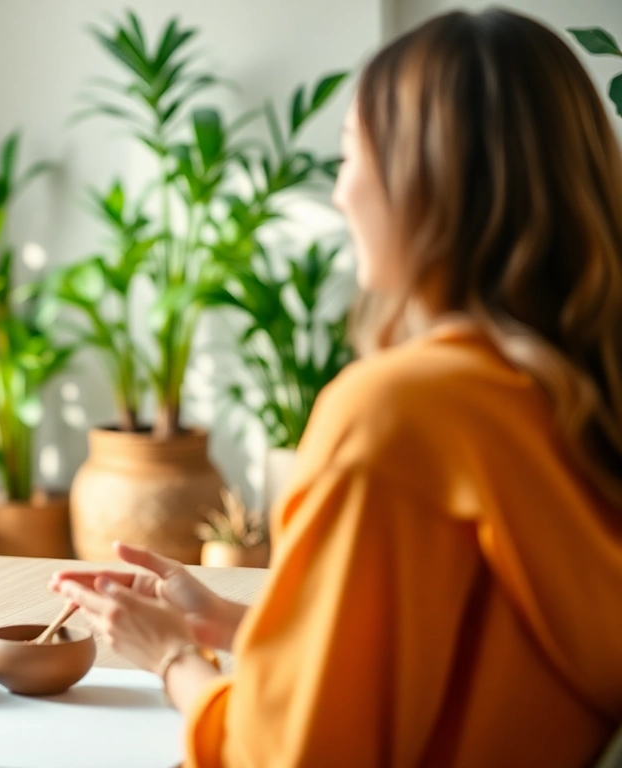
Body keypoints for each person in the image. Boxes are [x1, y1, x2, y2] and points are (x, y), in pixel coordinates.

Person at [52, 9, 622, 766]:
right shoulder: (575, 397)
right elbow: (471, 665)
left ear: (423, 184)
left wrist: (171, 661)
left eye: (350, 156)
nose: (341, 194)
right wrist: (231, 624)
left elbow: (291, 755)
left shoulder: (397, 415)